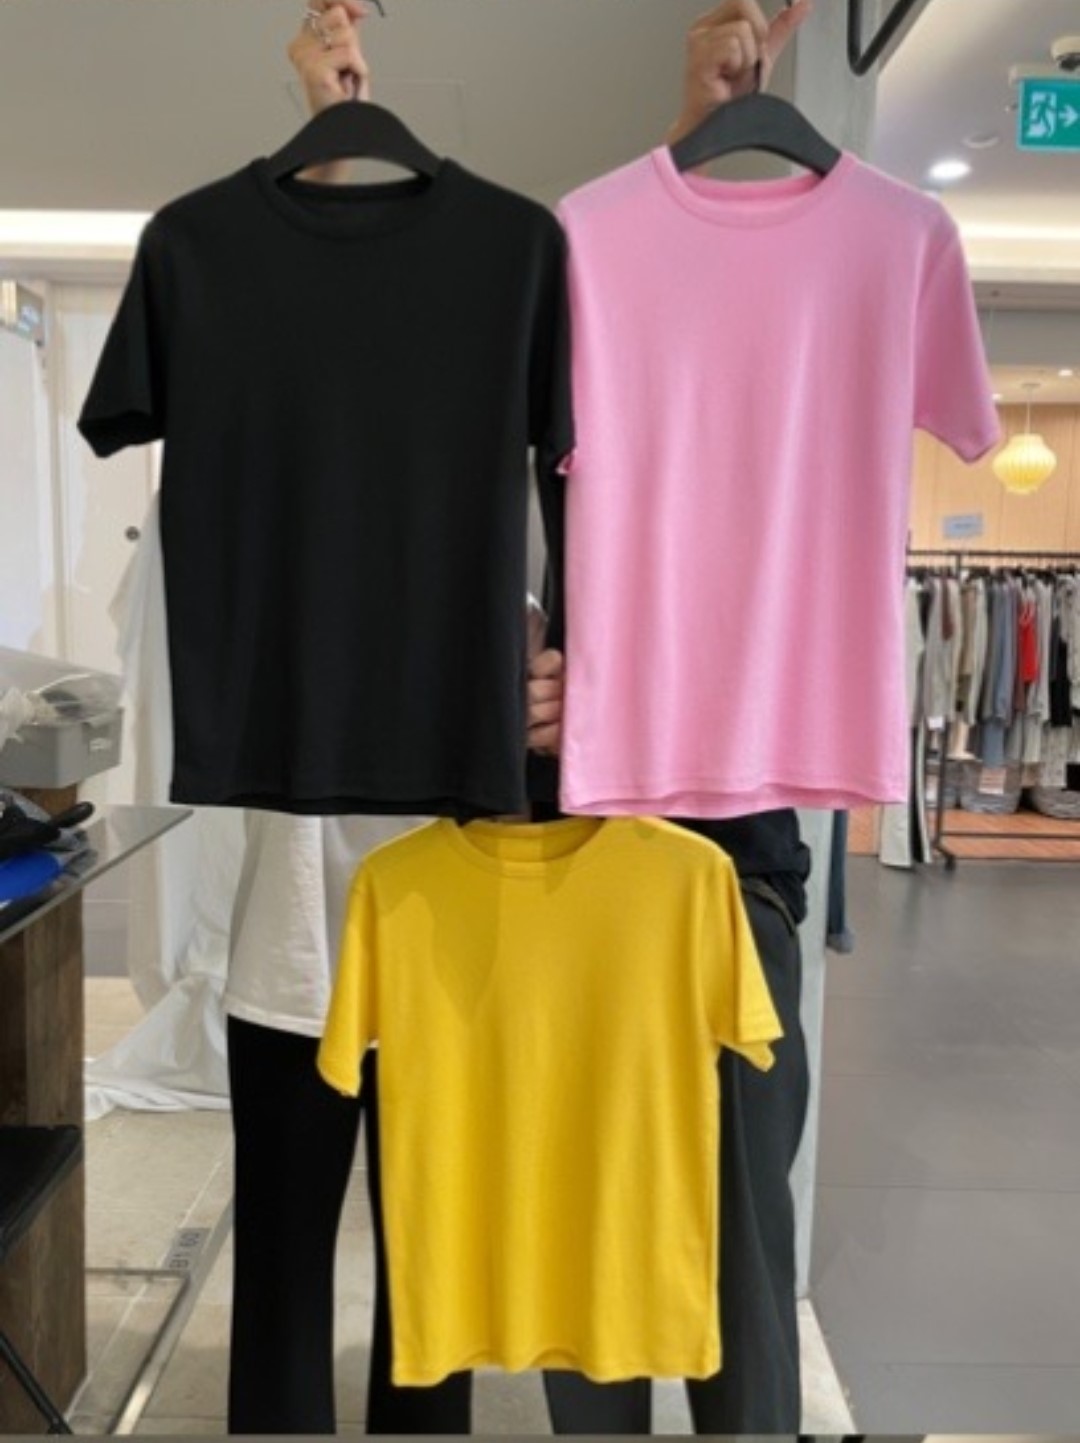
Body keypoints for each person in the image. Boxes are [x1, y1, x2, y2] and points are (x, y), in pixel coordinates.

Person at [227, 1, 813, 1434]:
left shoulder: (666, 423)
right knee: (537, 1226)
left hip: (678, 860)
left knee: (711, 1245)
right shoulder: (430, 448)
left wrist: (597, 694)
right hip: (488, 871)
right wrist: (328, 133)